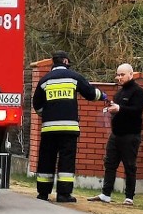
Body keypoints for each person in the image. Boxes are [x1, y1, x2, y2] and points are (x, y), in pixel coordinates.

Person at [33, 51, 107, 202]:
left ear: (53, 62)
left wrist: (46, 114)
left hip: (49, 129)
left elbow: (37, 105)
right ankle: (63, 194)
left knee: (46, 159)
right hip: (69, 129)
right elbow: (90, 93)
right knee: (66, 160)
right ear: (66, 61)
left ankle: (43, 193)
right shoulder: (74, 77)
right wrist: (103, 96)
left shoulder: (44, 80)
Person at [88, 63, 143, 206]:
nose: (119, 77)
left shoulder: (138, 92)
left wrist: (119, 108)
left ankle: (129, 197)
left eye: (122, 75)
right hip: (116, 134)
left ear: (131, 75)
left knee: (129, 166)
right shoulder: (119, 93)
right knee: (109, 163)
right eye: (118, 75)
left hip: (130, 135)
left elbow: (136, 110)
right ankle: (106, 194)